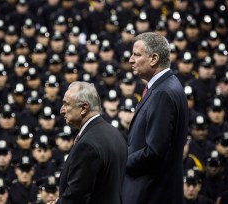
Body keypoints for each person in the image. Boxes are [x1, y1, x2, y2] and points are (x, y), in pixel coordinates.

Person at [122, 32, 188, 204]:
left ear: (154, 59)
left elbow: (154, 152)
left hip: (151, 194)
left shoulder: (163, 93)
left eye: (136, 55)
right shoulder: (168, 85)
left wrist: (120, 161)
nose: (131, 60)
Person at [52, 81, 127, 204]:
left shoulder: (87, 145)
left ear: (83, 108)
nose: (62, 110)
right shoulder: (114, 133)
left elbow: (76, 197)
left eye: (66, 104)